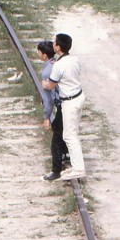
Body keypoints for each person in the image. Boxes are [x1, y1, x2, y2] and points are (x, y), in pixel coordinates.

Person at [42, 32, 85, 181]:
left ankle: (79, 169)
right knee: (71, 132)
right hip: (79, 97)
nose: (52, 44)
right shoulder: (73, 59)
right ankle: (75, 165)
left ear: (58, 47)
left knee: (69, 135)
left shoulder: (58, 65)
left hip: (69, 101)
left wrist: (44, 84)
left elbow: (51, 85)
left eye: (54, 43)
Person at [37, 40, 69, 182]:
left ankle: (56, 170)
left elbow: (49, 100)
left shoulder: (46, 72)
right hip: (69, 102)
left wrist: (46, 117)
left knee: (56, 139)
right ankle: (66, 156)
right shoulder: (58, 64)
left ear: (44, 55)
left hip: (62, 105)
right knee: (62, 131)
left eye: (38, 52)